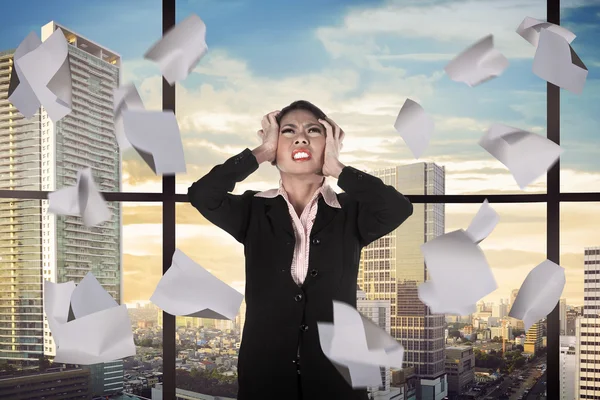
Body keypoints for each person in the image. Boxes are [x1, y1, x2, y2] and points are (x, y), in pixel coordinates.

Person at [188, 100, 413, 400]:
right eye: (288, 131)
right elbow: (203, 195)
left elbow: (398, 207)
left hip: (336, 379)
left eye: (314, 131)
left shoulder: (351, 212)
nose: (301, 138)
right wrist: (262, 153)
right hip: (264, 376)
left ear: (329, 144)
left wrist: (337, 168)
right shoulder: (254, 209)